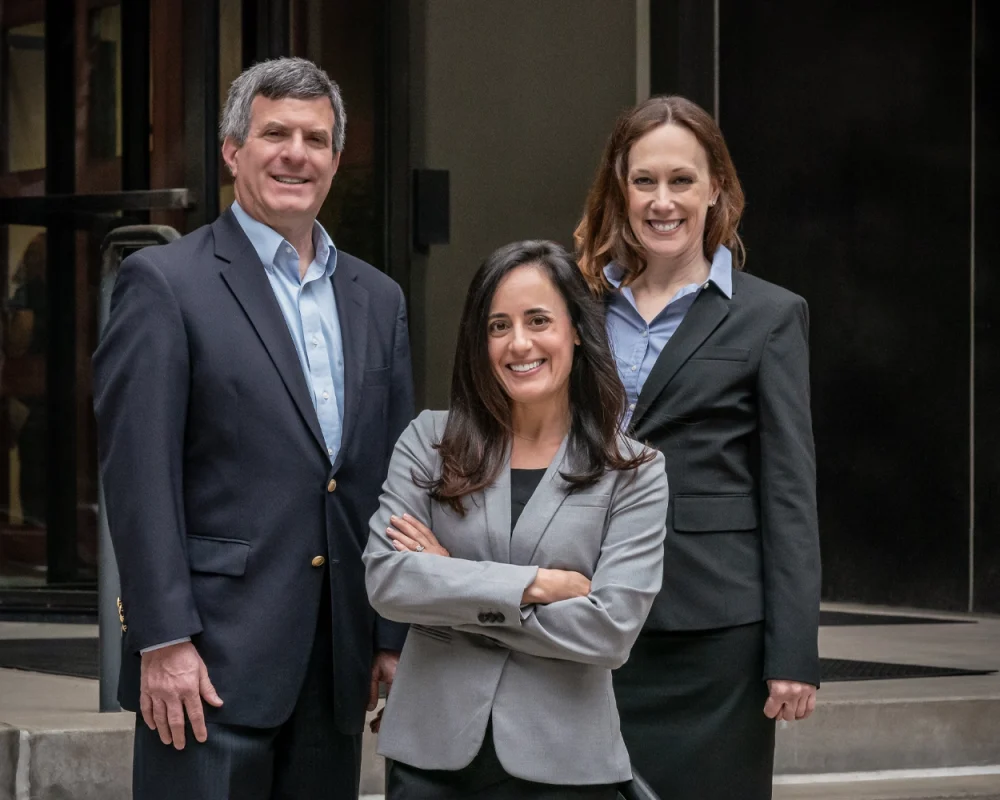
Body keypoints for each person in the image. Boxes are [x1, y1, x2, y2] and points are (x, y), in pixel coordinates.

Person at [93, 57, 413, 800]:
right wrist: (163, 639)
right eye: (275, 133)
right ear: (234, 150)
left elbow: (391, 482)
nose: (296, 153)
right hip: (207, 665)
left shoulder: (379, 297)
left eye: (316, 137)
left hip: (336, 665)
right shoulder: (165, 283)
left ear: (336, 158)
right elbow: (138, 477)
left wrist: (390, 633)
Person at [575, 95, 821, 800]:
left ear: (716, 187)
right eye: (643, 180)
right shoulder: (576, 306)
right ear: (619, 189)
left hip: (715, 636)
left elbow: (788, 492)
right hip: (586, 613)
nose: (662, 201)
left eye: (681, 180)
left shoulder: (770, 316)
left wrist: (793, 651)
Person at [362, 240, 669, 800]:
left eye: (538, 320)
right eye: (498, 325)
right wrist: (534, 586)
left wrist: (449, 580)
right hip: (432, 756)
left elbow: (609, 631)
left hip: (564, 761)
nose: (518, 343)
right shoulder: (430, 442)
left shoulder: (634, 470)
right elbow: (387, 581)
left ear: (576, 329)